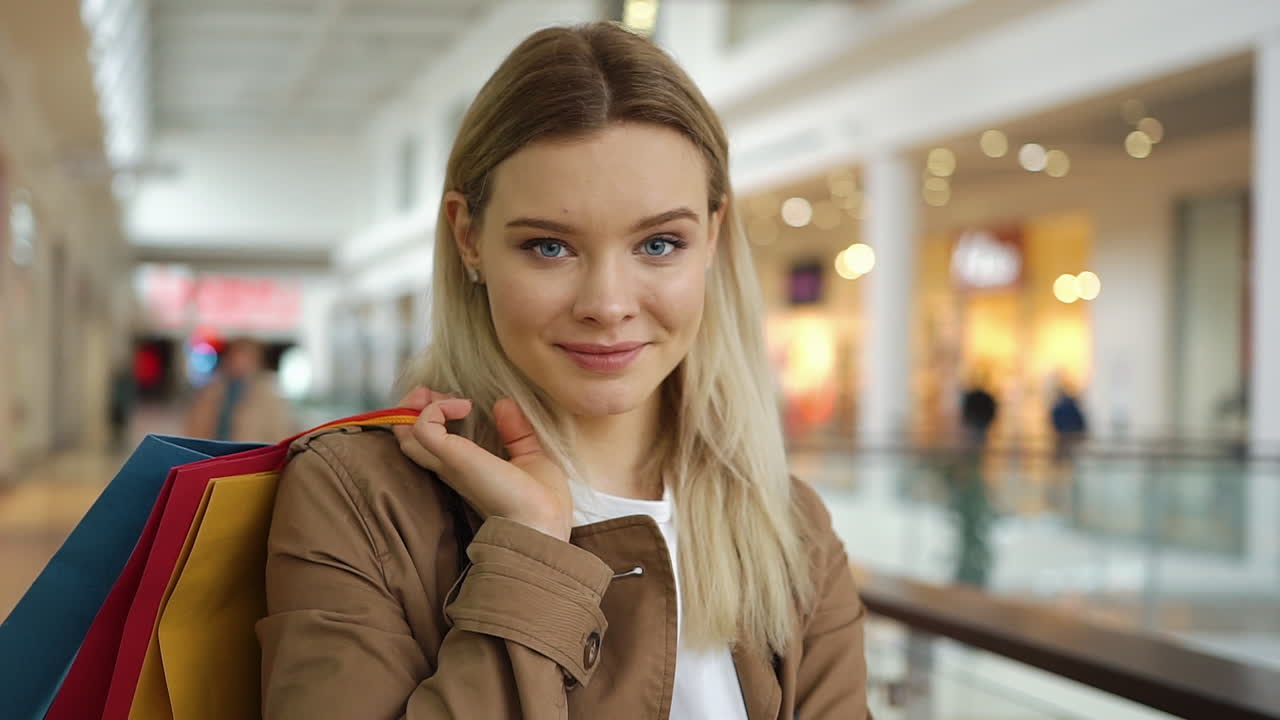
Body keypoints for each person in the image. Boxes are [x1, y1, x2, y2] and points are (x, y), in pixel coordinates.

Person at [257, 22, 869, 720]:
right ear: (469, 238)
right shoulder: (360, 497)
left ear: (713, 236)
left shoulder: (788, 527)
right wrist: (528, 552)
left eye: (660, 243)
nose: (607, 305)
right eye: (550, 247)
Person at [182, 338, 294, 443]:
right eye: (235, 356)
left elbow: (278, 432)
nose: (239, 362)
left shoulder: (267, 395)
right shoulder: (210, 390)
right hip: (211, 456)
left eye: (246, 357)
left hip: (247, 457)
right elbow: (195, 426)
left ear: (256, 361)